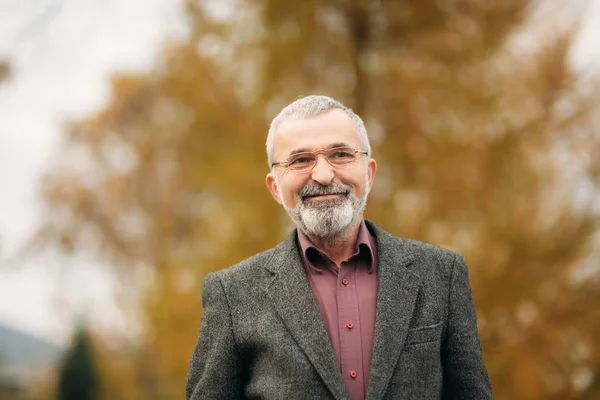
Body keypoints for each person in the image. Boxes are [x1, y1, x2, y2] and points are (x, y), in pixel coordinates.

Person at [186, 95, 492, 399]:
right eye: (301, 160)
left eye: (341, 155)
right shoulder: (232, 294)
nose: (322, 174)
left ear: (369, 173)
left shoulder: (442, 275)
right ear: (275, 187)